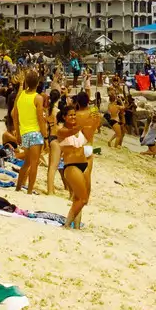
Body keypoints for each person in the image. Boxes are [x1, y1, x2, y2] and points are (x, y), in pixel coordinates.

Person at [56, 90, 103, 228]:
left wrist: (95, 118)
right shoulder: (90, 115)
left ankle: (75, 224)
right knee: (83, 194)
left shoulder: (78, 118)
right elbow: (91, 126)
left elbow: (83, 130)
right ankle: (69, 224)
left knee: (80, 194)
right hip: (83, 153)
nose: (72, 116)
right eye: (70, 115)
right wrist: (92, 112)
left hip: (81, 151)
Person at [12, 70, 48, 192]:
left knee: (26, 163)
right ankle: (29, 190)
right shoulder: (38, 98)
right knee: (34, 164)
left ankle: (18, 187)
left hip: (24, 133)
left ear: (26, 82)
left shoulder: (21, 95)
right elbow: (40, 120)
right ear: (37, 83)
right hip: (36, 134)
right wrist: (46, 136)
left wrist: (17, 132)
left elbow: (15, 116)